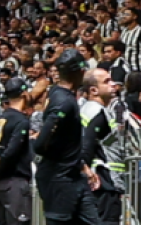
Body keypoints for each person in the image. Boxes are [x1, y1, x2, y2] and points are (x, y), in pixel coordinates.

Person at [34, 49, 99, 225]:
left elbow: (64, 141)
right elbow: (40, 144)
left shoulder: (58, 93)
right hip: (59, 181)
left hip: (74, 176)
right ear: (80, 72)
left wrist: (82, 166)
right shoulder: (63, 102)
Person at [79, 69, 124, 225]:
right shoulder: (95, 112)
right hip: (103, 184)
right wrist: (86, 171)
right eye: (107, 81)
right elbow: (86, 147)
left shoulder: (88, 110)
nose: (113, 84)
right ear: (94, 90)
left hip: (101, 184)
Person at [0, 78, 33, 225]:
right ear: (24, 94)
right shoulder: (21, 121)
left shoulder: (0, 119)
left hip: (1, 184)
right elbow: (11, 151)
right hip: (14, 182)